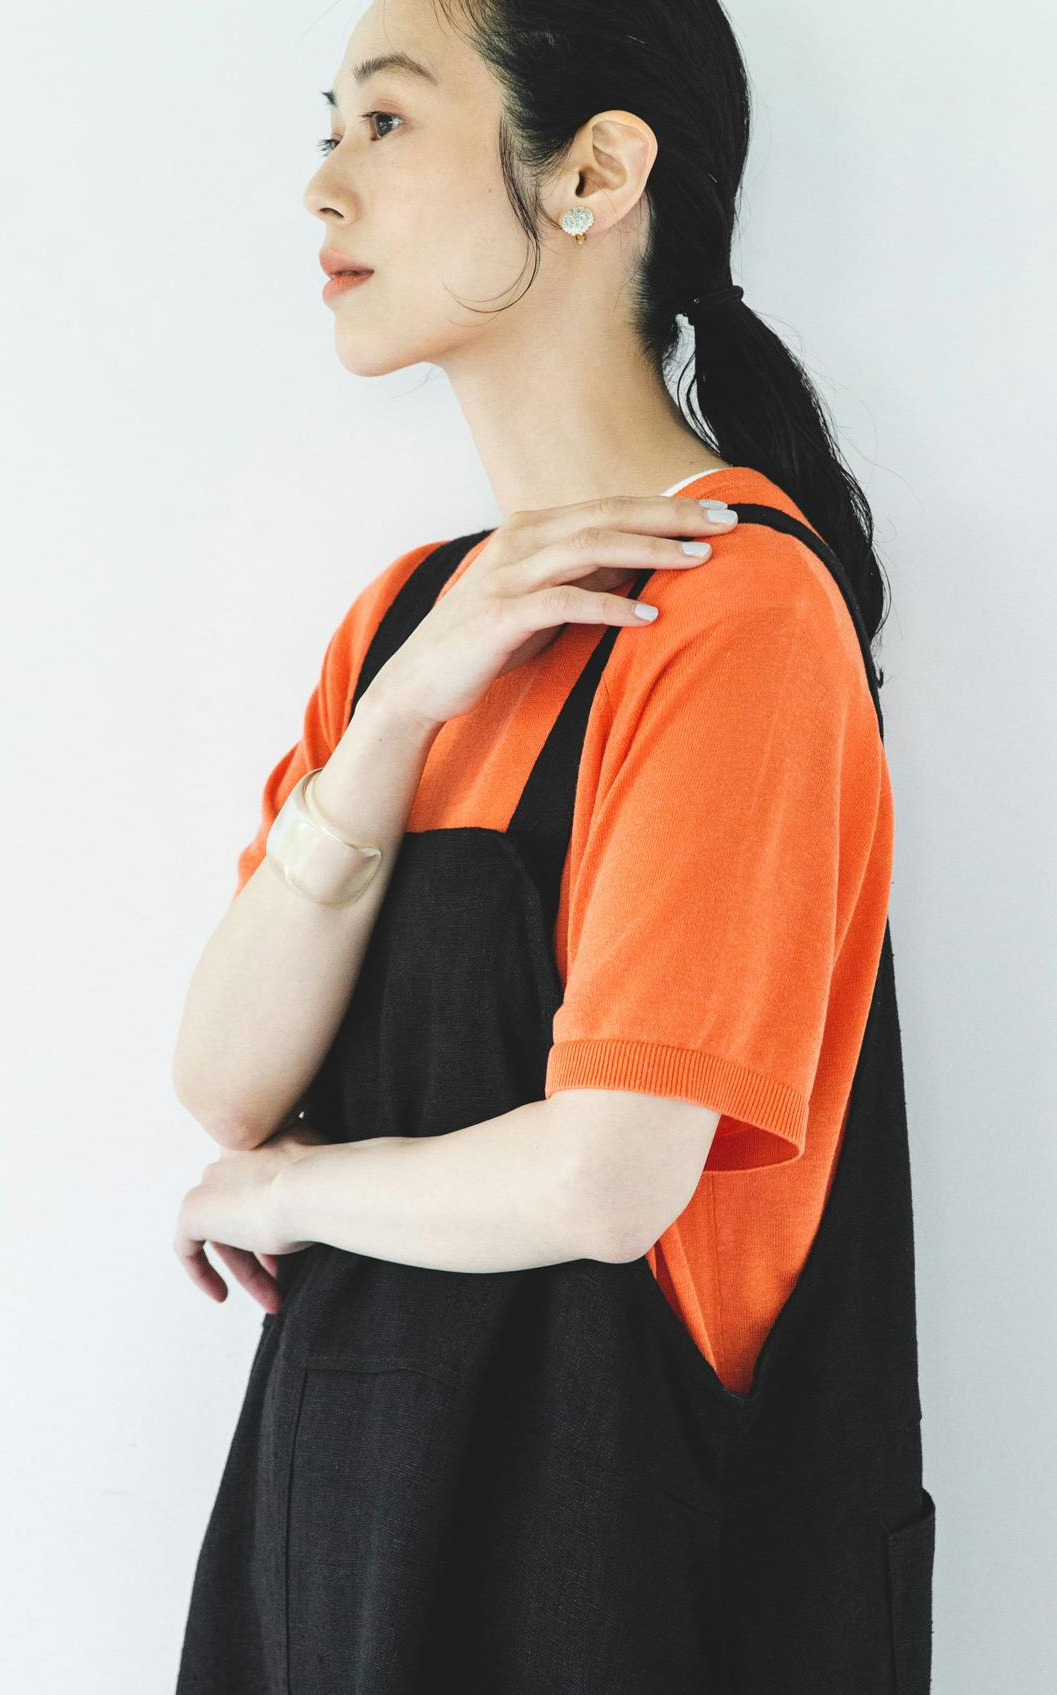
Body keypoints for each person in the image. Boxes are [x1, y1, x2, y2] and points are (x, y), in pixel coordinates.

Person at [171, 1, 935, 1689]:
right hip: (344, 1557)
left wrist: (295, 1188)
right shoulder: (405, 626)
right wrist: (390, 724)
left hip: (596, 1592)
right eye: (327, 127)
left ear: (593, 173)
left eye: (386, 123)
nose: (321, 186)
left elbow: (606, 1176)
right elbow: (224, 1079)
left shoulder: (734, 614)